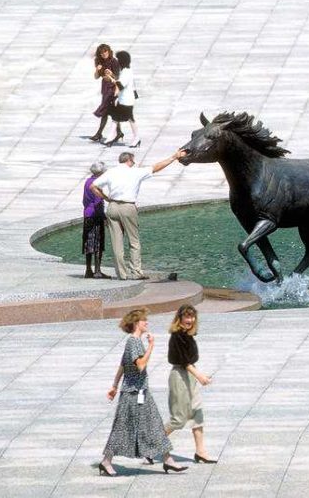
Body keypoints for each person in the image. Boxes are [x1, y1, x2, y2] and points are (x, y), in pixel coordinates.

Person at [99, 308, 188, 476]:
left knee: (154, 425)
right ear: (135, 323)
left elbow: (123, 365)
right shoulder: (134, 342)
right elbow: (140, 365)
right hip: (132, 393)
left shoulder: (133, 342)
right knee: (122, 428)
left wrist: (114, 385)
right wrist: (151, 346)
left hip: (140, 392)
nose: (146, 322)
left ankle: (168, 461)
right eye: (143, 320)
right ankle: (106, 461)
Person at [90, 150, 184, 280]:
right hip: (128, 206)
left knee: (116, 243)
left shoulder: (111, 172)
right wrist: (173, 157)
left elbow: (93, 186)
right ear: (129, 160)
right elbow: (156, 167)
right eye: (133, 161)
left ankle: (121, 275)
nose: (134, 163)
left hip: (112, 207)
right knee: (134, 241)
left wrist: (106, 198)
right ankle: (136, 272)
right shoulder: (135, 171)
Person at [165, 305, 217, 464]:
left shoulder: (188, 335)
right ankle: (152, 443)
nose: (190, 320)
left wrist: (199, 375)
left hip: (190, 375)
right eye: (186, 317)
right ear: (179, 319)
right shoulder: (177, 336)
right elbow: (184, 361)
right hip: (179, 376)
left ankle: (200, 452)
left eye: (192, 317)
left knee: (197, 413)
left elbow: (190, 362)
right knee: (179, 419)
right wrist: (200, 376)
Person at [101, 50, 139, 148]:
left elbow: (120, 85)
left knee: (129, 119)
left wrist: (111, 79)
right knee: (116, 117)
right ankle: (111, 137)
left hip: (126, 100)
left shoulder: (126, 72)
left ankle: (136, 138)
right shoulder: (126, 71)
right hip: (125, 99)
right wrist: (113, 75)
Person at [82, 161, 109, 279]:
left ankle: (88, 269)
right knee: (98, 242)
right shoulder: (97, 184)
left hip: (87, 214)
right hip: (96, 216)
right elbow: (98, 202)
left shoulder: (87, 181)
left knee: (88, 242)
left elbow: (84, 200)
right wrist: (104, 217)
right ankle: (98, 270)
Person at [89, 44, 121, 143]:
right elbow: (96, 77)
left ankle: (99, 133)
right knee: (111, 111)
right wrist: (97, 70)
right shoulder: (99, 61)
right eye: (102, 52)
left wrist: (111, 74)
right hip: (105, 88)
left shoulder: (114, 61)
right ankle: (119, 132)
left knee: (105, 111)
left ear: (109, 51)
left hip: (113, 88)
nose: (104, 54)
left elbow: (117, 77)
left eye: (105, 51)